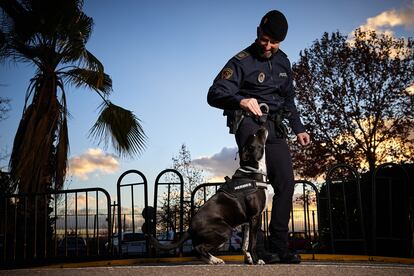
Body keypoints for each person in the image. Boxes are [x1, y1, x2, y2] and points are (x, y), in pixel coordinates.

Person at [207, 10, 310, 264]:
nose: (268, 46)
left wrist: (299, 128)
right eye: (264, 39)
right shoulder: (241, 62)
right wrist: (241, 100)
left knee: (286, 180)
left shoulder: (284, 62)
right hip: (250, 125)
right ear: (257, 33)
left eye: (273, 42)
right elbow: (214, 93)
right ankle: (256, 248)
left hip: (274, 127)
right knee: (254, 187)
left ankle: (278, 246)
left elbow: (289, 101)